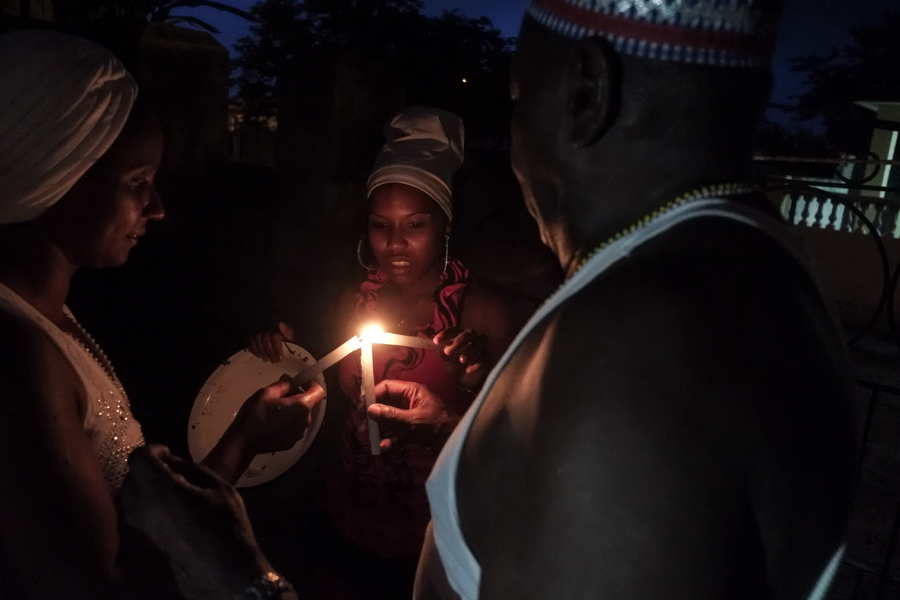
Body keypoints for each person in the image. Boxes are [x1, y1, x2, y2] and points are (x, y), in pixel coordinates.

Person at [123, 1, 857, 599]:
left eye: (514, 99)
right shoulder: (747, 268)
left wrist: (234, 575)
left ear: (583, 93)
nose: (511, 146)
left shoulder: (636, 358)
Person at [0, 29, 323, 600]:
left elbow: (150, 527)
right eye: (137, 183)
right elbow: (108, 581)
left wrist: (246, 433)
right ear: (58, 177)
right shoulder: (21, 353)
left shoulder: (49, 313)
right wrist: (246, 565)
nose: (158, 207)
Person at [250, 106, 517, 599]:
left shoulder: (479, 312)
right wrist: (283, 351)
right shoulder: (355, 301)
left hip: (429, 532)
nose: (394, 244)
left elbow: (508, 448)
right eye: (380, 225)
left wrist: (471, 381)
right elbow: (325, 382)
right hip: (346, 517)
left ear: (445, 225)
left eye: (415, 224)